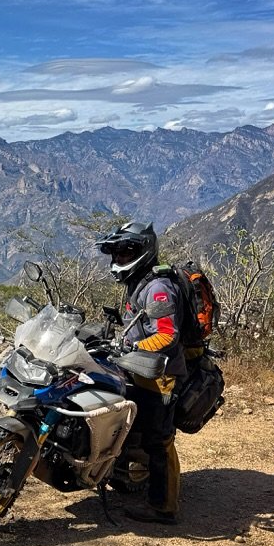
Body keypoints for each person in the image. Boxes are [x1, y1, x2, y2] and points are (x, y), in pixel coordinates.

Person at [97, 221, 185, 525]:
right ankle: (120, 474)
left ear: (143, 251)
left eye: (126, 252)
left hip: (161, 374)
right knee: (122, 418)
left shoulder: (158, 288)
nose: (120, 258)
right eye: (116, 253)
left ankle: (164, 507)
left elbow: (166, 334)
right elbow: (136, 327)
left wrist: (131, 348)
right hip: (137, 367)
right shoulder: (138, 283)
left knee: (158, 440)